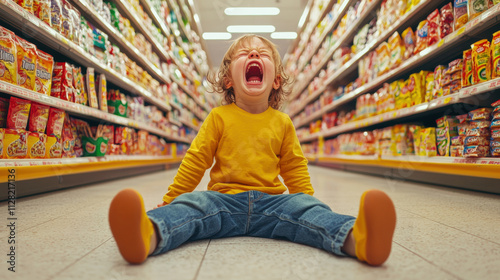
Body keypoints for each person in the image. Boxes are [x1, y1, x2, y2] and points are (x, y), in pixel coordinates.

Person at [108, 34, 396, 266]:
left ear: (277, 81)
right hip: (222, 202)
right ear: (228, 80)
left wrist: (305, 201)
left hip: (273, 203)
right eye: (245, 54)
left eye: (263, 53)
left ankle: (358, 238)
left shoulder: (282, 122)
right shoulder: (218, 117)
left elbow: (294, 166)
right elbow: (196, 160)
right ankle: (148, 234)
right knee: (190, 208)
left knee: (312, 213)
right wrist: (171, 199)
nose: (255, 55)